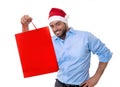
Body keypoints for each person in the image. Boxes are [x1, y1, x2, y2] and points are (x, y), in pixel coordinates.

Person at [21, 8, 112, 87]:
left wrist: (96, 77)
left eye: (58, 24)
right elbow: (29, 50)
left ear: (65, 22)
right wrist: (25, 26)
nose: (55, 29)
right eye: (52, 26)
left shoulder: (85, 37)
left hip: (82, 85)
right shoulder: (51, 42)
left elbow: (105, 53)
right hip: (59, 84)